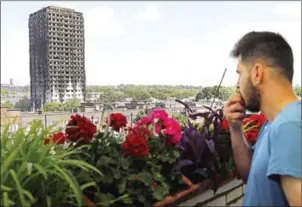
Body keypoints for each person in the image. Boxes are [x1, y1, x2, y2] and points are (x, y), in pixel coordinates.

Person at [224, 31, 301, 206]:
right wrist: (235, 128)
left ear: (257, 73)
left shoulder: (289, 127)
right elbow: (251, 174)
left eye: (240, 73)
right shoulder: (275, 122)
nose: (237, 84)